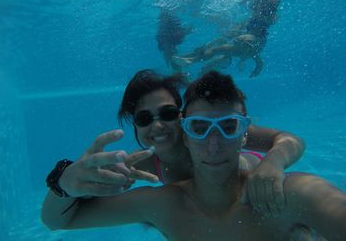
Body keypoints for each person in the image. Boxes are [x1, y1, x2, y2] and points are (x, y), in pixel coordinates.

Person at [42, 71, 346, 240]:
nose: (213, 143)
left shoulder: (286, 192)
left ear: (181, 119)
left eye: (168, 114)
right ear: (187, 131)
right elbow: (59, 220)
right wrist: (64, 181)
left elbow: (291, 140)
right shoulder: (146, 174)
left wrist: (274, 161)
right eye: (144, 119)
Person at [156, 0, 280, 77]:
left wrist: (256, 66)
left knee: (217, 48)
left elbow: (257, 59)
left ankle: (190, 60)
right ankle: (188, 57)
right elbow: (257, 59)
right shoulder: (251, 50)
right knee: (218, 45)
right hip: (252, 40)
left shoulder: (251, 49)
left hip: (252, 40)